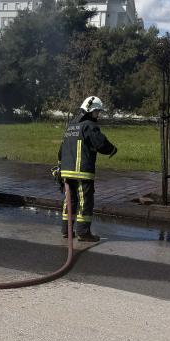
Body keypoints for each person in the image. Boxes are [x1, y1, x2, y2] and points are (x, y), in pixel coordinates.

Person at [57, 96, 117, 242]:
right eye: (97, 111)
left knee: (69, 201)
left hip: (66, 171)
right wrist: (112, 149)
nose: (98, 115)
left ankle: (66, 230)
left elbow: (62, 148)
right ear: (91, 111)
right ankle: (83, 233)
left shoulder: (71, 125)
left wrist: (60, 165)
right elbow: (100, 143)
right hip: (82, 172)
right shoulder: (89, 125)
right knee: (85, 201)